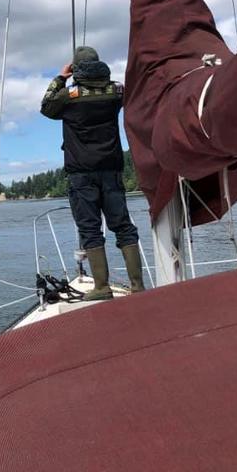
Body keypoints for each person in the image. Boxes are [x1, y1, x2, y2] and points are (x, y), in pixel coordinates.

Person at [40, 46, 144, 300]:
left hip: (82, 174)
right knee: (123, 226)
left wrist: (61, 77)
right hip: (112, 170)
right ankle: (138, 286)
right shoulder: (116, 91)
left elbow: (46, 107)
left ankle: (101, 287)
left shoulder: (68, 96)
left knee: (90, 228)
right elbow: (132, 96)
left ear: (76, 68)